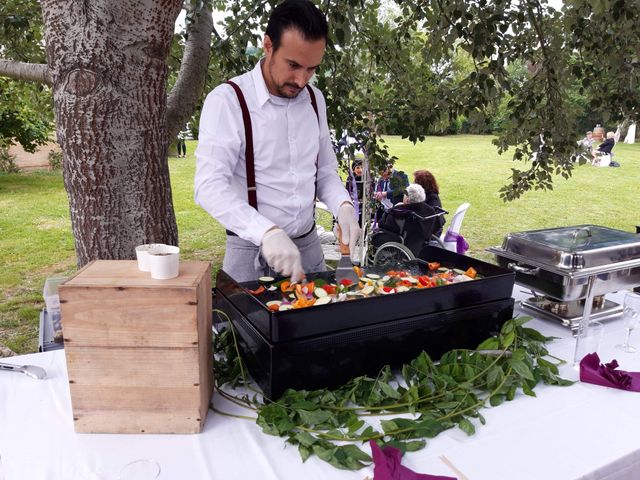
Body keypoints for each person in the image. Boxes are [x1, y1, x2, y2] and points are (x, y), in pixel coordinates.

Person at [194, 0, 360, 283]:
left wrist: (343, 205)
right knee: (241, 329)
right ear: (268, 45)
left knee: (321, 326)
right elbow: (208, 186)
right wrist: (265, 232)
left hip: (309, 250)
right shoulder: (229, 100)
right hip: (250, 252)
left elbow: (324, 172)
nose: (301, 79)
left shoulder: (314, 99)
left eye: (311, 69)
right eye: (293, 65)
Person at [413, 169, 445, 238]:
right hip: (426, 228)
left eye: (415, 182)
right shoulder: (428, 195)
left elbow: (429, 218)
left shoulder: (432, 198)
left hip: (431, 232)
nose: (413, 184)